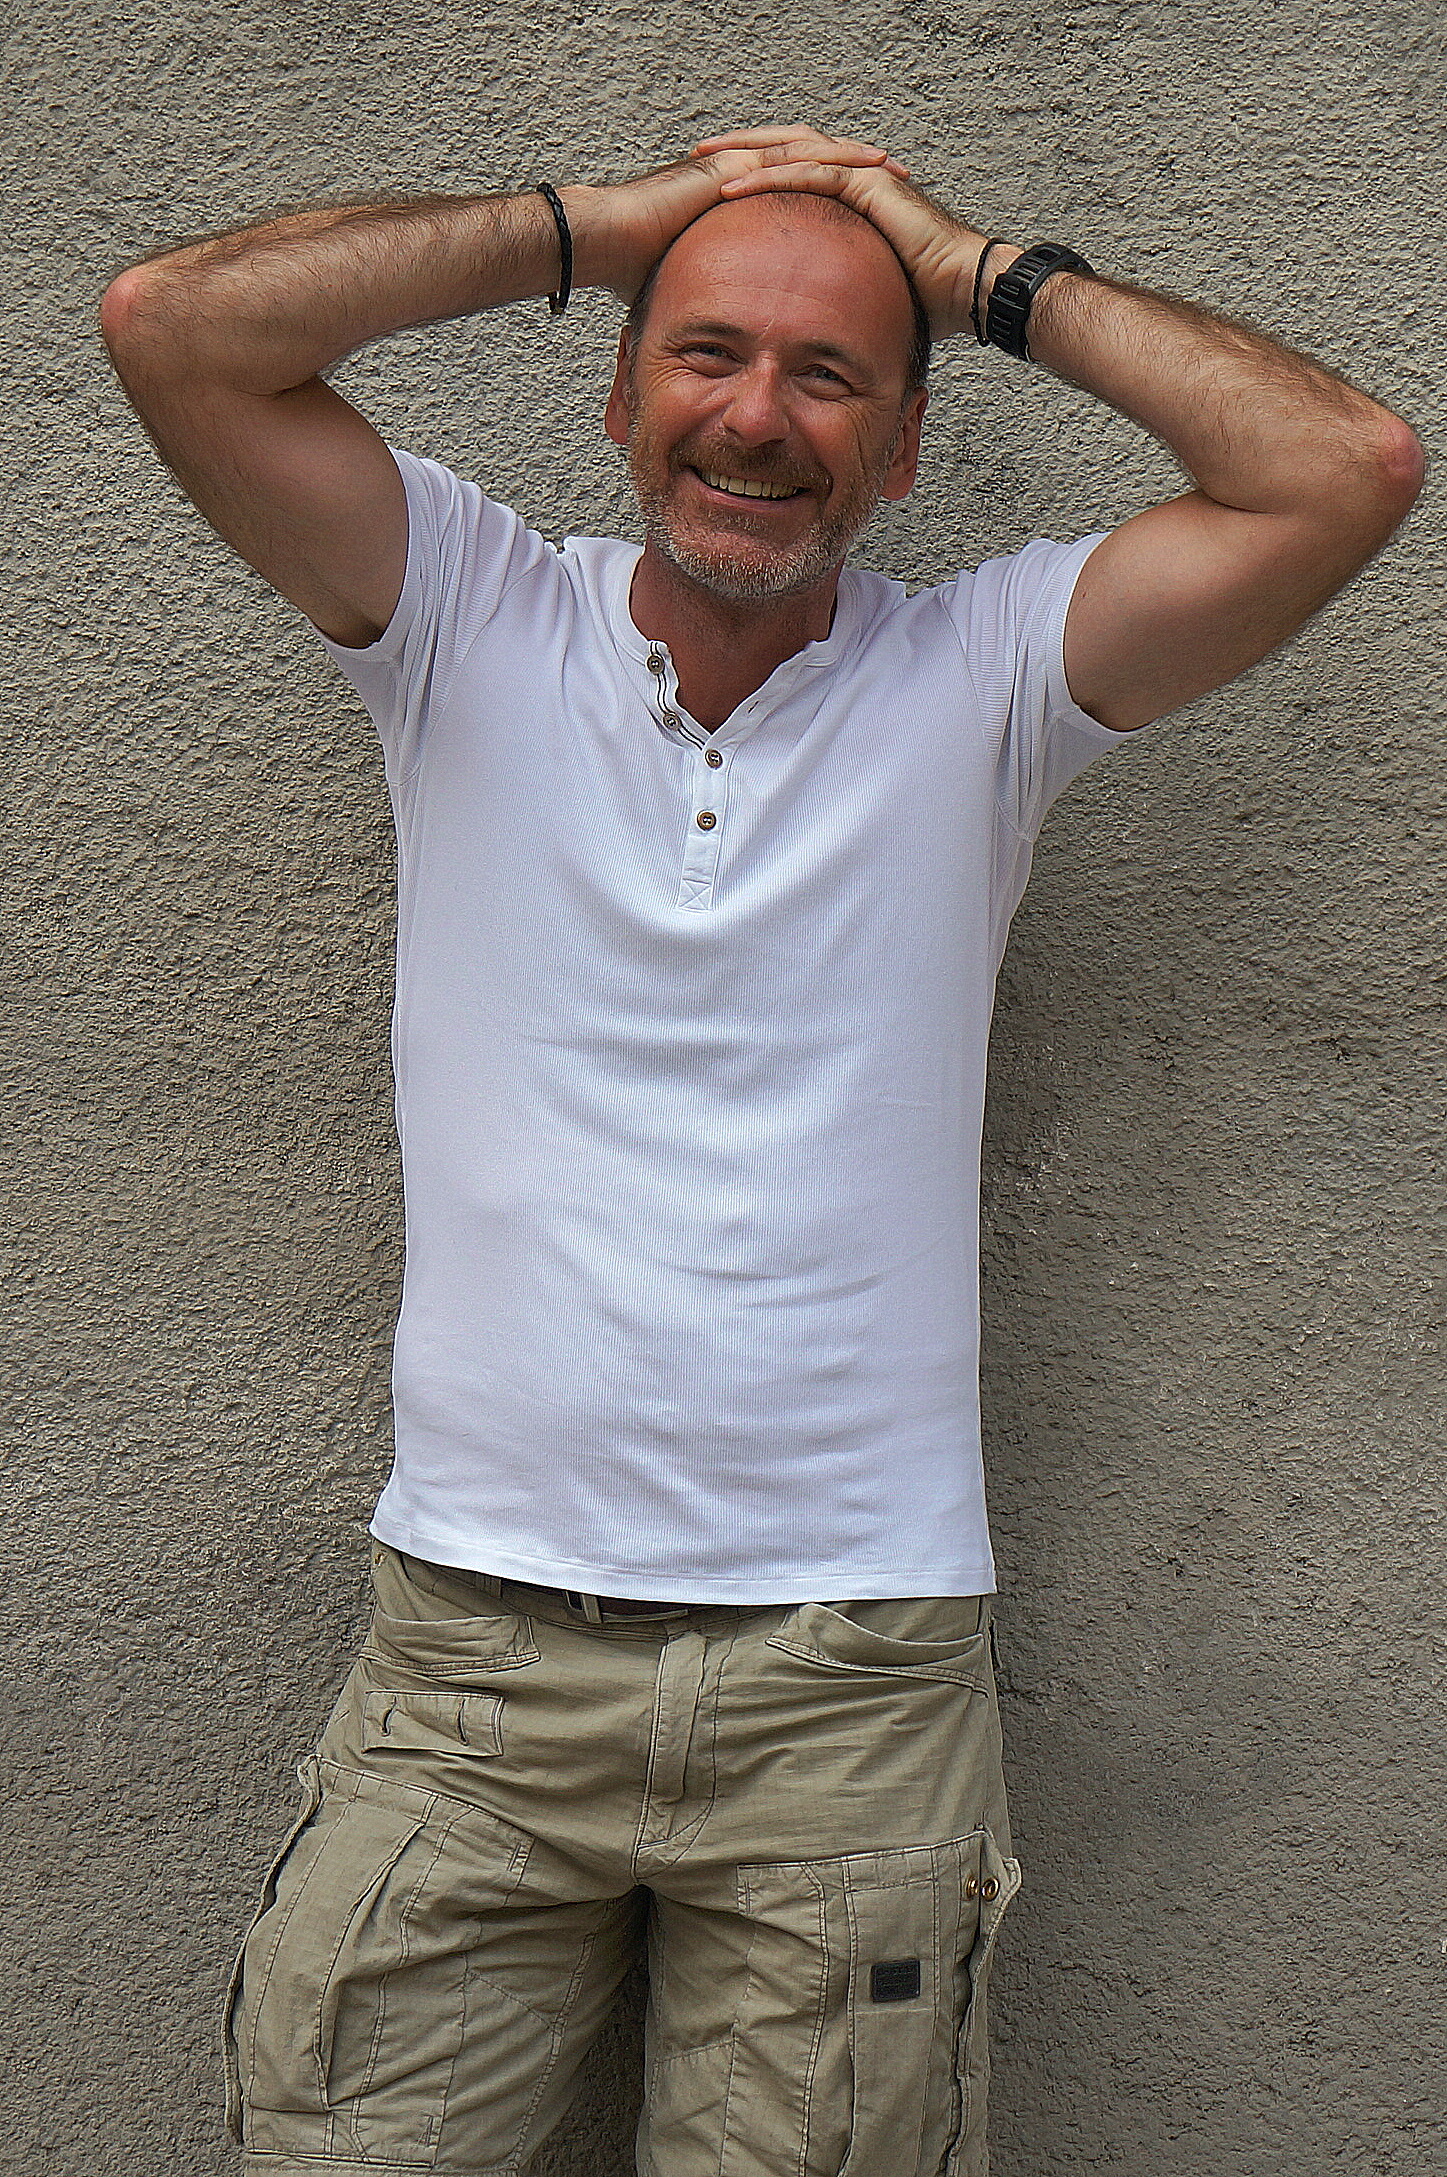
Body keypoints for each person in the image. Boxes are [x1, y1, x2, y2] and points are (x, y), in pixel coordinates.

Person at [100, 125, 1422, 2177]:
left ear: (902, 451)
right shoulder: (464, 615)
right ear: (618, 399)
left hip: (853, 1688)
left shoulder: (985, 678)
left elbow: (1344, 468)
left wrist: (972, 272)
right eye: (703, 352)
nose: (755, 417)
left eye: (829, 376)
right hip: (474, 1669)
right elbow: (174, 329)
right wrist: (604, 227)